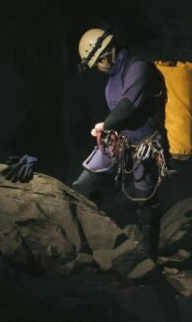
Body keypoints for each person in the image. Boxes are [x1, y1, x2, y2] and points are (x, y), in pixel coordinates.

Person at [71, 27, 168, 260]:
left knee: (146, 200)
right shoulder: (113, 79)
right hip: (119, 142)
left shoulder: (138, 68)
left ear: (107, 55)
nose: (98, 69)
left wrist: (103, 125)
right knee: (82, 186)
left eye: (97, 64)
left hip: (145, 146)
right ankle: (85, 241)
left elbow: (126, 107)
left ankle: (148, 255)